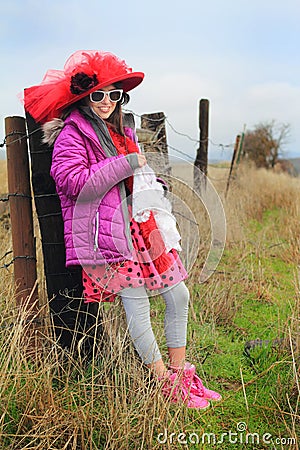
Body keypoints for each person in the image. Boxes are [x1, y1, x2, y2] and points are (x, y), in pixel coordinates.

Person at [24, 50, 221, 409]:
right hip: (104, 235)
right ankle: (164, 384)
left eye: (114, 95)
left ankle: (181, 375)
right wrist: (125, 164)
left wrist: (150, 182)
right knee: (137, 306)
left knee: (179, 295)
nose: (106, 102)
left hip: (142, 227)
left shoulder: (121, 130)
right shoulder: (71, 133)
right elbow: (74, 182)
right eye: (98, 94)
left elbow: (131, 177)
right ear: (84, 96)